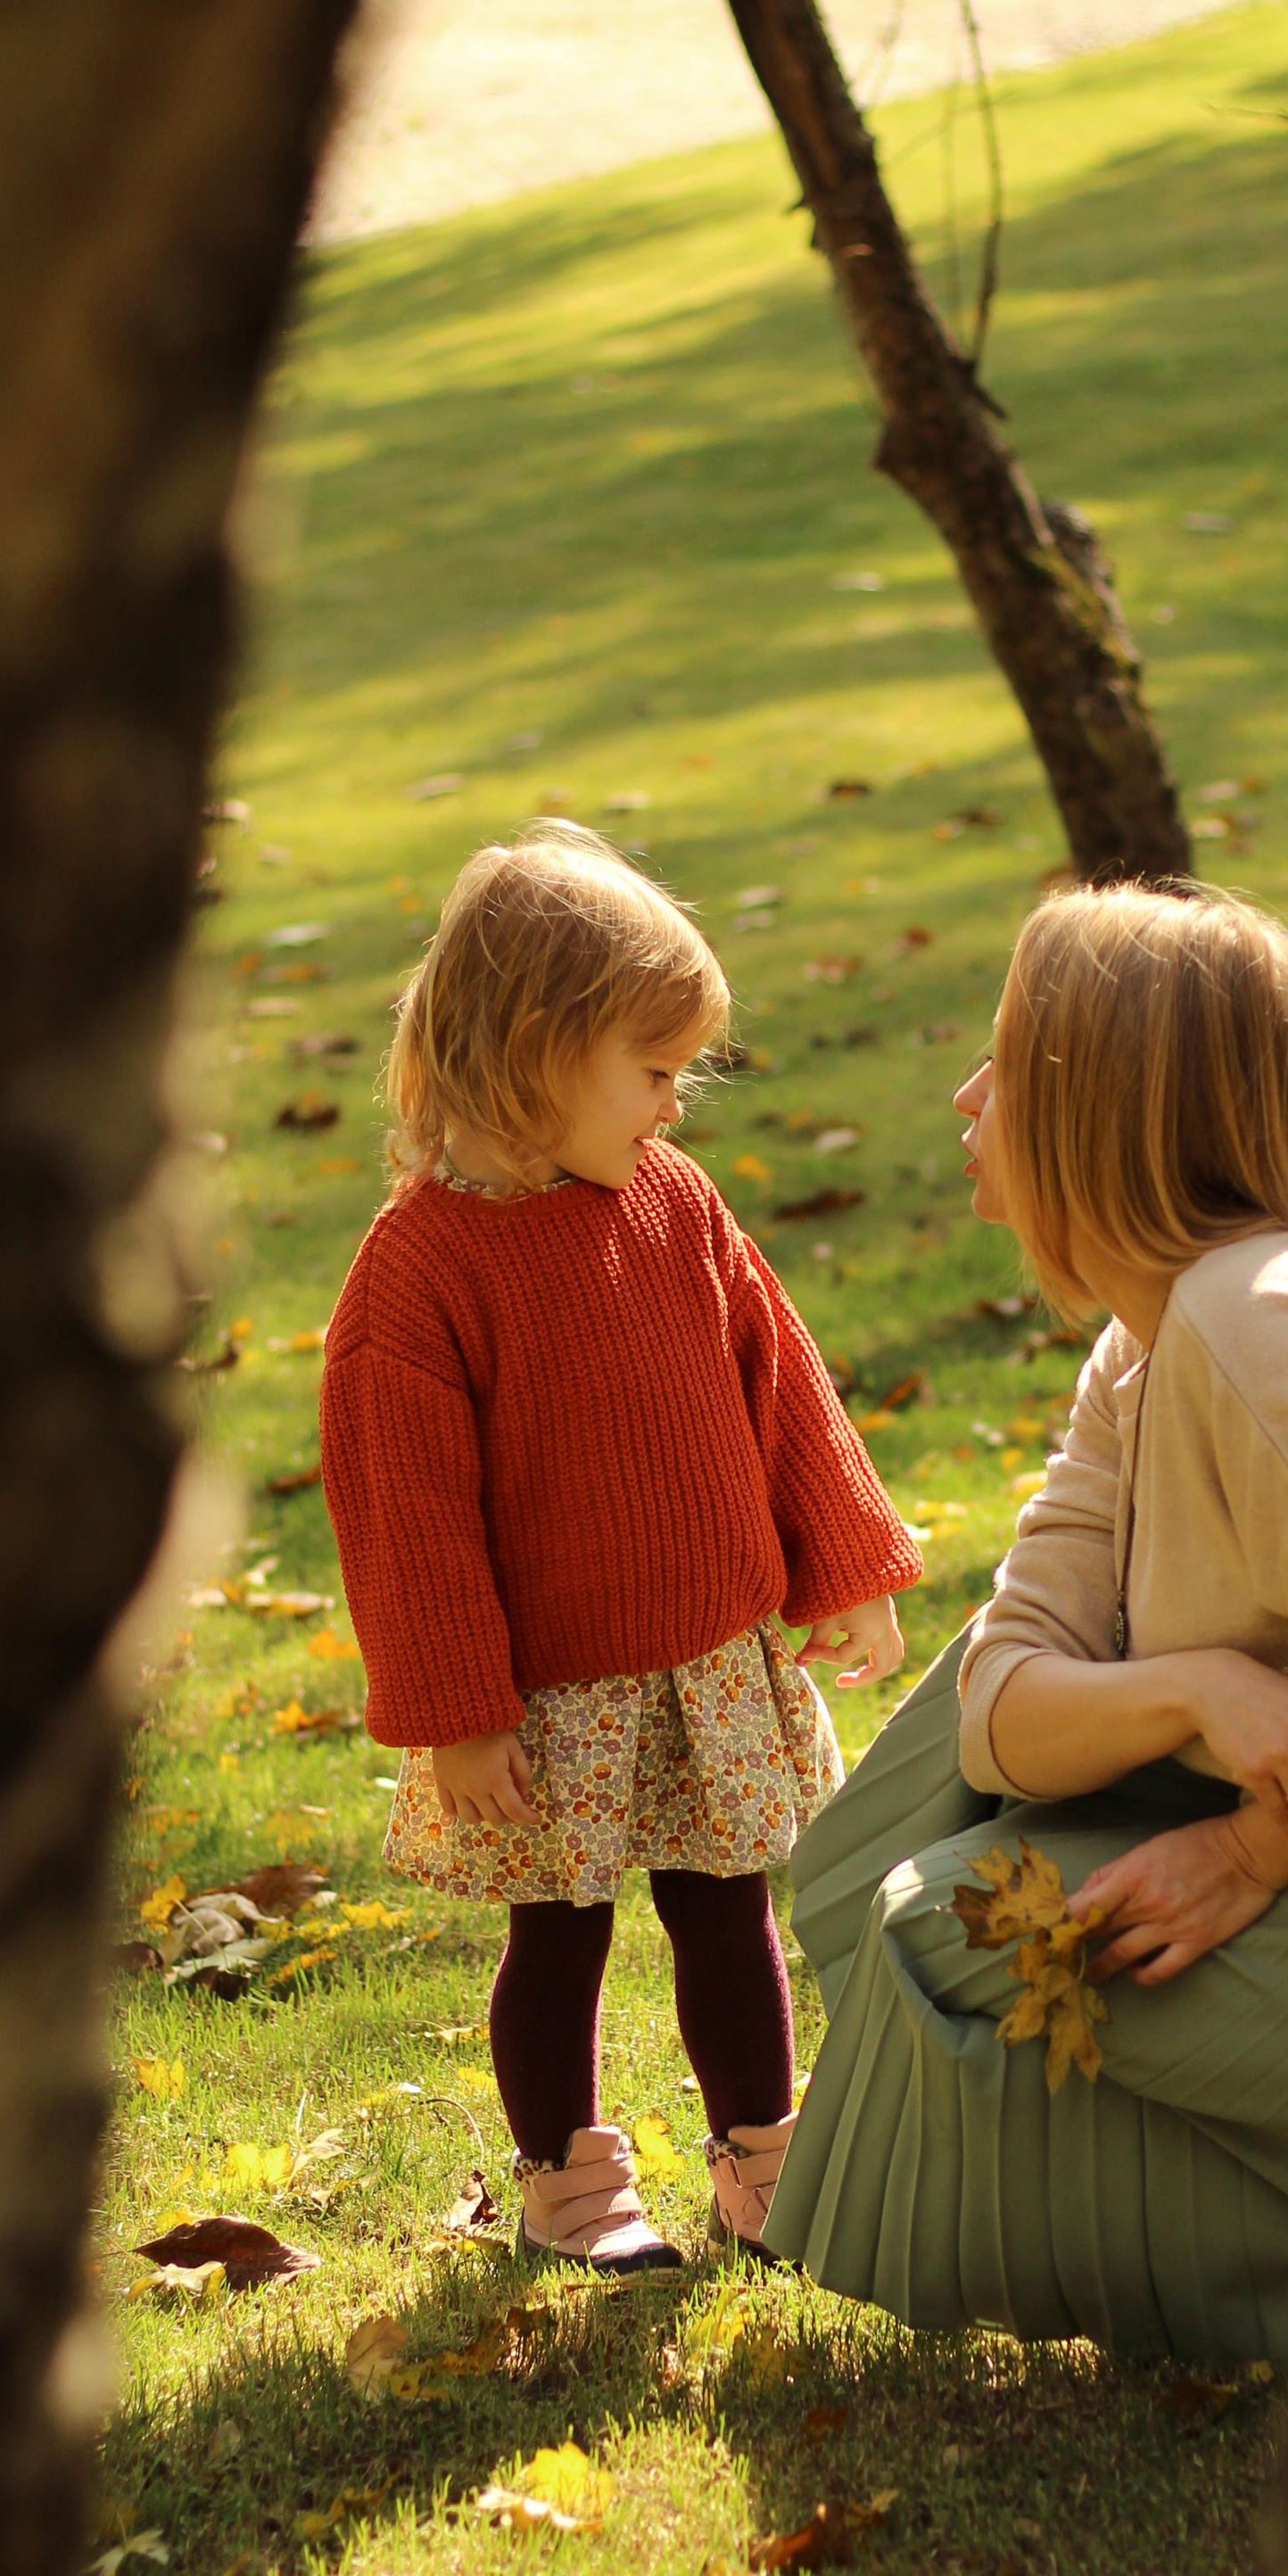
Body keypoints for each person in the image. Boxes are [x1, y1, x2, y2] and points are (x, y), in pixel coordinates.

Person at [764, 881, 1288, 2365]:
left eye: (1009, 1059)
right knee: (889, 1847)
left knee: (959, 1925)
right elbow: (995, 1700)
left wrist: (1254, 1849)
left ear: (1105, 1104)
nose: (972, 1096)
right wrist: (1197, 1689)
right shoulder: (1152, 1332)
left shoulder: (1265, 1320)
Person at [319, 821, 918, 2278]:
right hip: (554, 1701)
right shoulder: (422, 1274)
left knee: (729, 1914)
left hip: (709, 1659)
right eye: (652, 1074)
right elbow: (408, 1517)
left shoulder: (677, 1208)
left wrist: (840, 1564)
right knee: (561, 1932)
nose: (671, 1108)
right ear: (536, 1051)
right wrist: (459, 1713)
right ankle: (566, 2186)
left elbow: (778, 1386)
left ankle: (763, 2157)